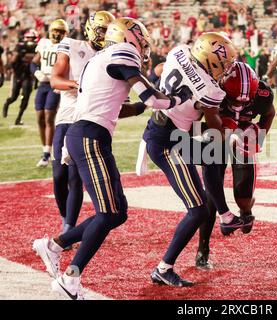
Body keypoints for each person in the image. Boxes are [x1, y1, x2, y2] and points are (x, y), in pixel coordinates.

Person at [32, 17, 189, 300]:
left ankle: (54, 245)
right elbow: (153, 98)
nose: (142, 43)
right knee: (108, 213)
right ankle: (71, 277)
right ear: (127, 36)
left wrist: (143, 106)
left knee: (118, 212)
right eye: (139, 36)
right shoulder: (122, 53)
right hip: (90, 136)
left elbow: (117, 106)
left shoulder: (100, 59)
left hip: (87, 133)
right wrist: (177, 100)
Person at [141, 32, 242, 286]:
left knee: (210, 160)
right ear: (210, 60)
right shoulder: (211, 91)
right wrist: (231, 134)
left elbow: (161, 68)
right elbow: (213, 127)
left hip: (161, 130)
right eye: (225, 64)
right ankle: (164, 268)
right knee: (197, 209)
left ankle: (225, 215)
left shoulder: (178, 52)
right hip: (168, 143)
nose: (228, 70)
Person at [196, 61, 275, 269]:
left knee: (244, 196)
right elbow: (198, 121)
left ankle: (246, 211)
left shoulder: (263, 93)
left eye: (246, 101)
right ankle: (203, 250)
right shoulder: (210, 88)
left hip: (243, 135)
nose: (240, 105)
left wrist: (259, 136)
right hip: (216, 133)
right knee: (212, 196)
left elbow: (269, 113)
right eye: (234, 100)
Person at [50, 11, 115, 237]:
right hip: (67, 116)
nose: (105, 36)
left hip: (88, 119)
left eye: (109, 32)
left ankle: (68, 227)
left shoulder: (110, 55)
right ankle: (64, 216)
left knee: (75, 178)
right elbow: (55, 79)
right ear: (90, 28)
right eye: (101, 30)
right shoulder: (70, 44)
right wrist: (76, 85)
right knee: (59, 175)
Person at [31, 19, 69, 168]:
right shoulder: (44, 43)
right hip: (43, 84)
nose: (57, 34)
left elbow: (69, 66)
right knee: (40, 116)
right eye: (56, 30)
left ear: (65, 33)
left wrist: (62, 82)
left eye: (61, 31)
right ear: (50, 30)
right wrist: (37, 72)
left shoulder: (65, 46)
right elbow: (34, 63)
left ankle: (47, 154)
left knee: (49, 115)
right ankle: (45, 149)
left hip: (55, 84)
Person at [2, 29, 38, 125]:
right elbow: (13, 60)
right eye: (29, 38)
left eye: (32, 38)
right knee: (14, 97)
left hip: (28, 76)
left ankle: (19, 118)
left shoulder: (38, 48)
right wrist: (14, 70)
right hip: (18, 74)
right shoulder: (20, 47)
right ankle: (6, 104)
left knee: (26, 97)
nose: (30, 40)